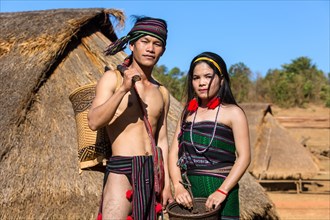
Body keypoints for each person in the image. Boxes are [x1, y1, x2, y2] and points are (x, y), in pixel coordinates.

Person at [88, 16, 173, 220]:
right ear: (132, 44)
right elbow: (93, 121)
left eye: (157, 43)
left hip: (152, 171)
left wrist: (167, 184)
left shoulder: (162, 92)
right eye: (144, 41)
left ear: (163, 50)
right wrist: (123, 90)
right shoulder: (113, 79)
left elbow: (162, 140)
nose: (150, 48)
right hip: (122, 169)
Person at [168, 52, 251, 219]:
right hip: (190, 192)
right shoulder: (187, 113)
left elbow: (244, 157)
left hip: (223, 193)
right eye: (196, 78)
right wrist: (178, 187)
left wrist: (222, 190)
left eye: (207, 76)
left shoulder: (233, 113)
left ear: (221, 79)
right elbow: (173, 154)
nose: (201, 83)